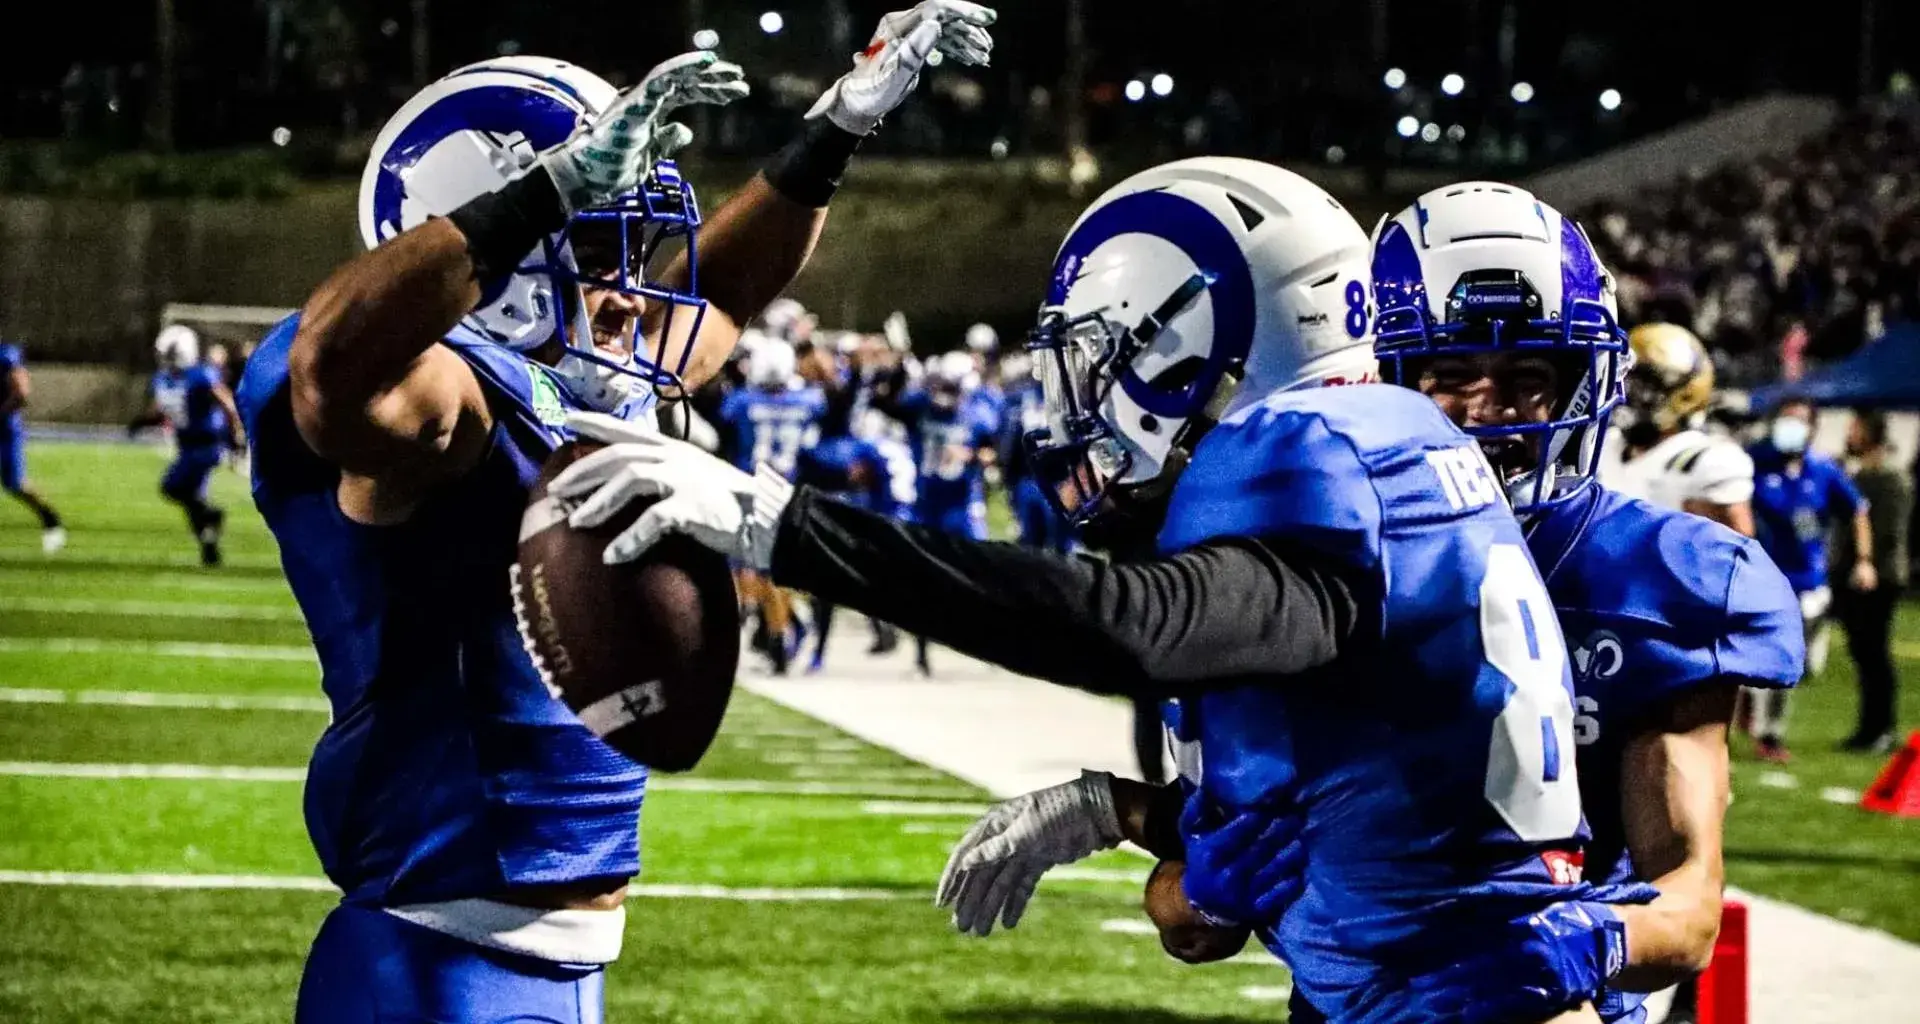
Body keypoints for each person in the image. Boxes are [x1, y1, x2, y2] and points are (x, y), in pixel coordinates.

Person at [544, 157, 1645, 1024]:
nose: (1078, 400)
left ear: (1189, 340)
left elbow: (1135, 629)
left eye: (1098, 357)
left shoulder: (1318, 458)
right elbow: (1381, 785)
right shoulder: (1387, 445)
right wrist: (1119, 812)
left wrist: (783, 528)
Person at [235, 8, 997, 1019]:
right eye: (601, 250)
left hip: (555, 971)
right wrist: (544, 193)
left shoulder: (569, 379)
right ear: (492, 249)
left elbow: (718, 293)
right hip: (434, 967)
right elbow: (332, 374)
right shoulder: (446, 402)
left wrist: (838, 125)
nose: (635, 294)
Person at [1164, 181, 1804, 1024]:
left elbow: (1687, 913)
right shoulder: (1318, 560)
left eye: (1527, 375)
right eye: (1451, 375)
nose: (1488, 409)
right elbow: (1187, 922)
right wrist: (1204, 893)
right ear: (1381, 378)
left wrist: (1588, 942)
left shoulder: (1657, 575)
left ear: (1582, 382)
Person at [1746, 397, 1874, 762]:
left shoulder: (1823, 469)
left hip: (1812, 581)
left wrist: (1863, 559)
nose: (1791, 428)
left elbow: (1858, 509)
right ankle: (1769, 734)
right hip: (1767, 579)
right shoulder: (1755, 463)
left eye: (1799, 421)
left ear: (1813, 428)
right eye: (1786, 419)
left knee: (1806, 666)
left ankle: (1751, 699)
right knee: (1779, 659)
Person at [719, 338, 827, 673]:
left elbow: (724, 421)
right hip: (789, 491)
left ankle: (756, 618)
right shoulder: (809, 400)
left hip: (751, 487)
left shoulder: (742, 401)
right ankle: (779, 632)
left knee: (744, 562)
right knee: (773, 567)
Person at [1601, 322, 1755, 536]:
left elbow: (1737, 556)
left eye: (1644, 384)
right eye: (1626, 378)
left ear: (1685, 396)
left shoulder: (1706, 461)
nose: (1627, 391)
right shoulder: (1603, 443)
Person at [132, 325, 245, 566]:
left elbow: (228, 404)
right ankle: (209, 546)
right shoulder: (163, 379)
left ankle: (212, 515)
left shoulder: (201, 375)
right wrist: (142, 421)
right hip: (186, 444)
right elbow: (161, 411)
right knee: (193, 501)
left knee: (172, 487)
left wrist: (236, 436)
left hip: (207, 443)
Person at [1835, 410, 1910, 753]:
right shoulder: (1860, 474)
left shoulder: (1890, 478)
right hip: (1858, 575)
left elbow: (1889, 532)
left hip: (1877, 576)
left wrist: (1869, 566)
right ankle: (1868, 727)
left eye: (1854, 429)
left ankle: (1881, 727)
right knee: (1864, 654)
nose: (1848, 436)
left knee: (1874, 653)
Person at [0, 336, 66, 552]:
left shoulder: (6, 356)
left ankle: (49, 517)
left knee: (15, 484)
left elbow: (22, 393)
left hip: (4, 430)